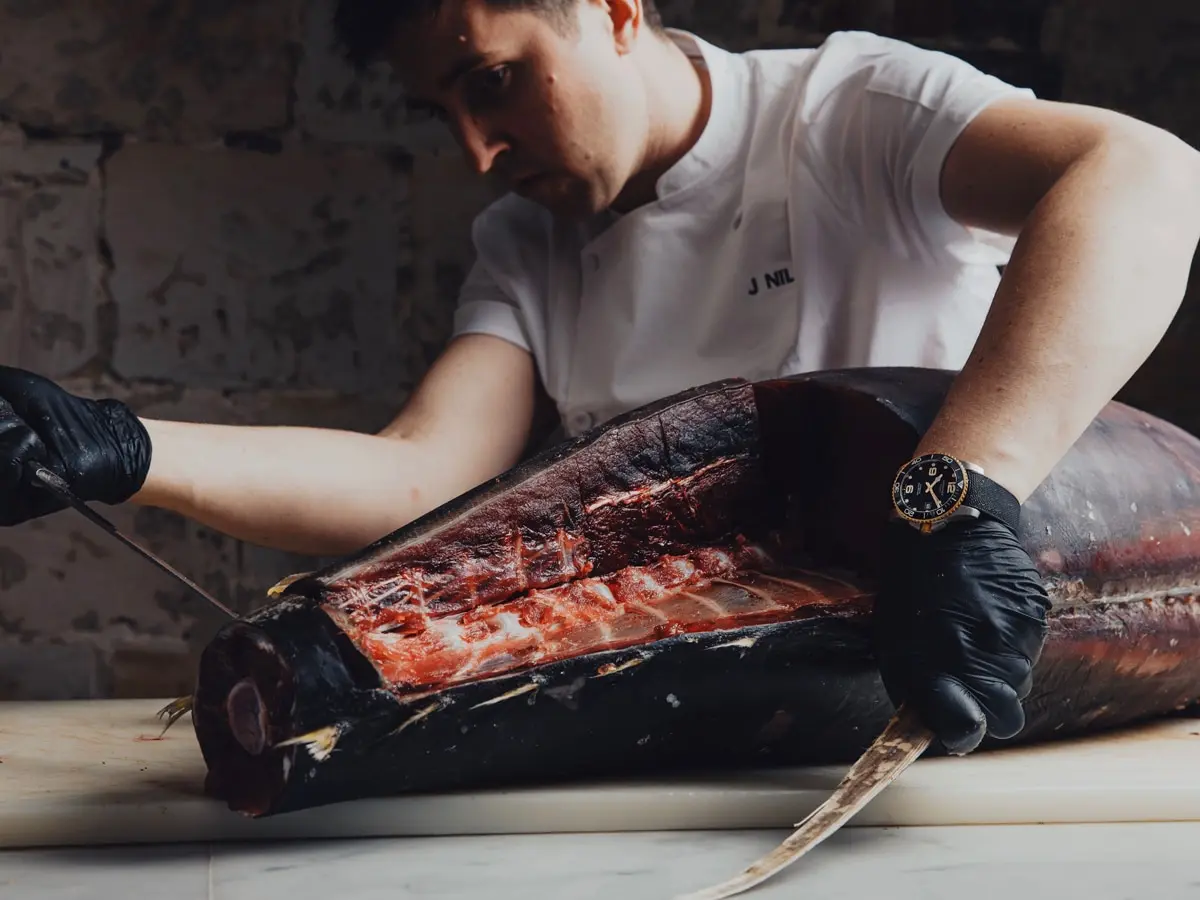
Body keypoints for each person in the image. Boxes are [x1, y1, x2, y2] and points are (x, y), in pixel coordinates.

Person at [2, 0, 1198, 757]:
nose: (476, 152)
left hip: (957, 693)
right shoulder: (528, 243)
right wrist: (120, 447)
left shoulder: (847, 115)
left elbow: (1144, 177)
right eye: (443, 112)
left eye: (492, 80)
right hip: (714, 734)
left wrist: (960, 490)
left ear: (614, 11)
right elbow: (422, 471)